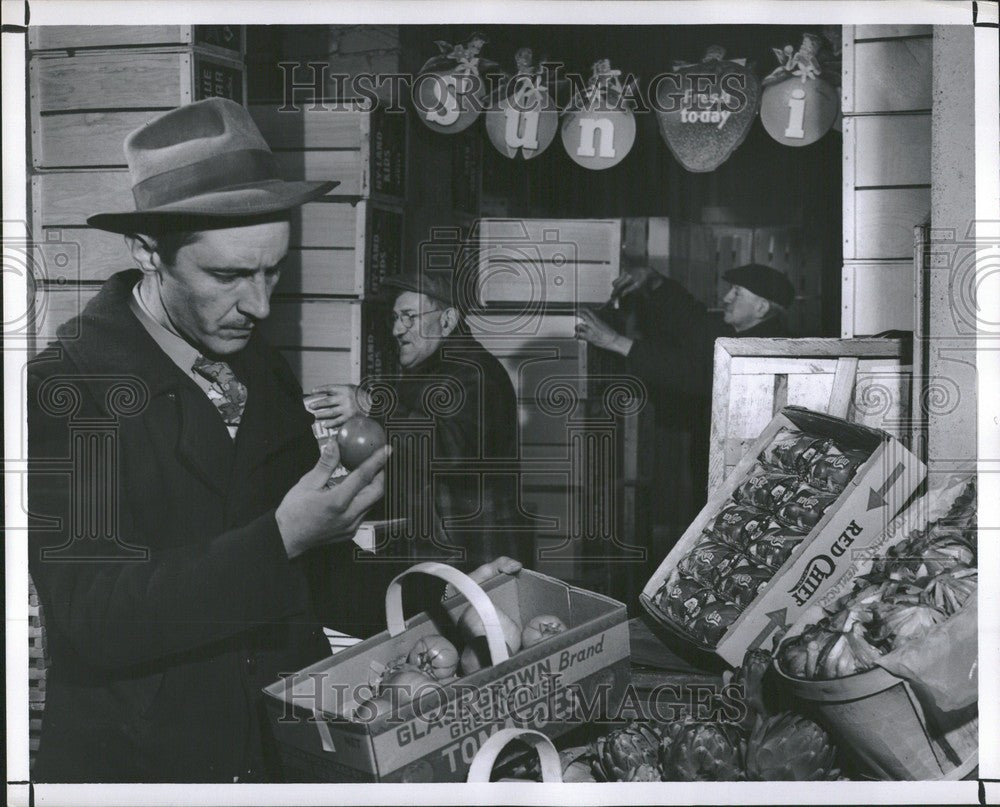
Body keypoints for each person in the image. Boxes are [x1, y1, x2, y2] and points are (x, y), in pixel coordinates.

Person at [27, 97, 521, 784]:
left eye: (274, 271)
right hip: (146, 769)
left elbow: (310, 572)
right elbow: (91, 620)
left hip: (276, 754)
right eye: (228, 275)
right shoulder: (65, 386)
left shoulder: (257, 361)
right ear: (147, 252)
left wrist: (438, 601)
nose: (259, 305)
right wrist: (280, 538)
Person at [306, 270, 529, 576]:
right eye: (396, 318)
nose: (398, 329)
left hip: (476, 561)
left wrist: (368, 406)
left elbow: (447, 450)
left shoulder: (476, 374)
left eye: (409, 316)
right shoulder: (431, 374)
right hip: (448, 559)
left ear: (448, 321)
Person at [575, 262, 794, 540]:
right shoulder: (747, 333)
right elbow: (692, 320)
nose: (726, 297)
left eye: (737, 293)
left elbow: (696, 375)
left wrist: (615, 341)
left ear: (761, 307)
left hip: (745, 480)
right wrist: (654, 280)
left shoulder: (764, 348)